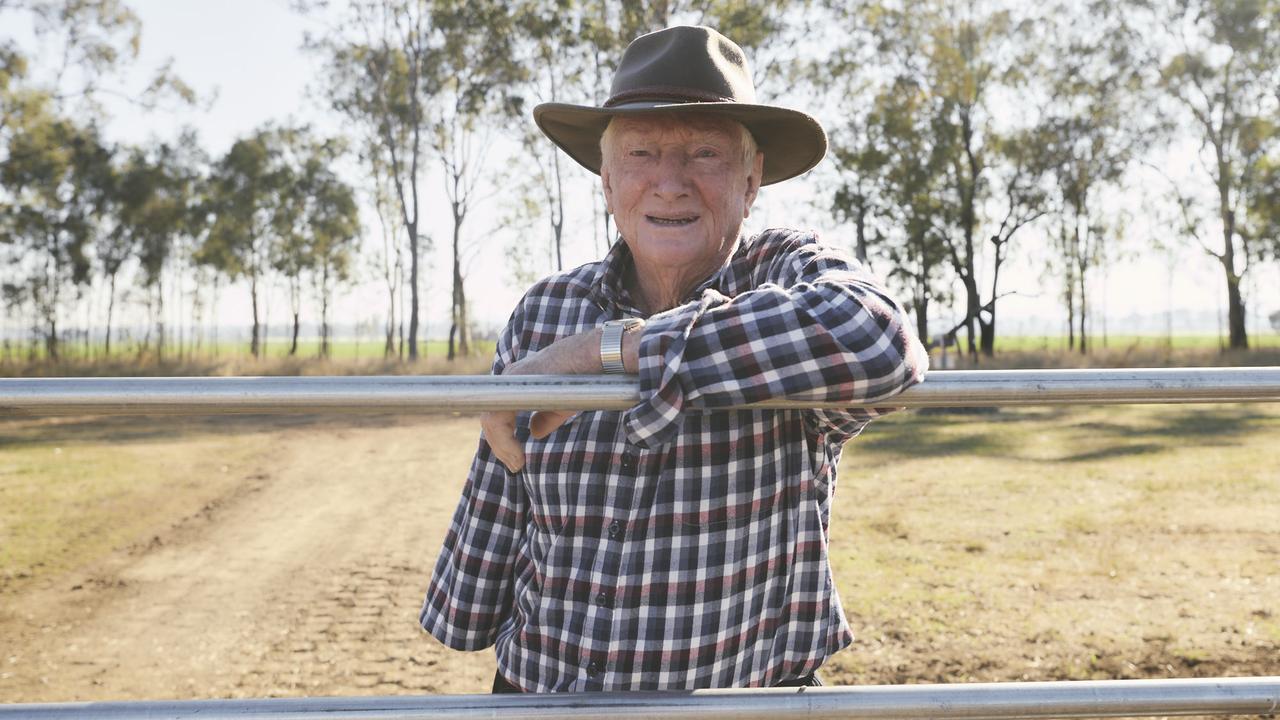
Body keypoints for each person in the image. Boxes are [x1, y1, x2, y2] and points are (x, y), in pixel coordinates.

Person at [420, 25, 929, 692]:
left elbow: (882, 342)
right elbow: (502, 479)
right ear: (606, 181)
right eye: (641, 154)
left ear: (751, 182)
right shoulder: (546, 309)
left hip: (732, 699)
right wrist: (467, 608)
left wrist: (615, 350)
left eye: (705, 154)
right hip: (542, 693)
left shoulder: (785, 271)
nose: (669, 183)